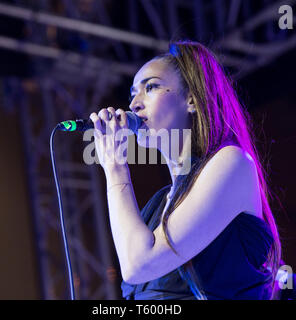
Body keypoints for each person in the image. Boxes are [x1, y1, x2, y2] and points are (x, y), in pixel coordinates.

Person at [89, 40, 282, 300]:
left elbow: (138, 264)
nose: (134, 103)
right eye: (132, 93)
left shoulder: (232, 163)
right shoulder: (158, 205)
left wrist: (114, 167)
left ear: (191, 99)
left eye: (151, 87)